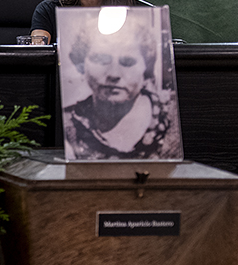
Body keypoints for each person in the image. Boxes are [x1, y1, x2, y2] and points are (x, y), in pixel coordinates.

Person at [63, 15, 181, 160]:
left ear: (146, 68)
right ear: (82, 65)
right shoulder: (68, 124)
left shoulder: (172, 118)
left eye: (128, 62)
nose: (114, 74)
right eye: (101, 60)